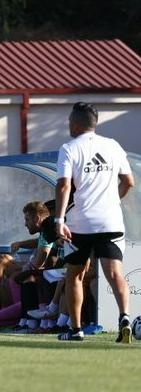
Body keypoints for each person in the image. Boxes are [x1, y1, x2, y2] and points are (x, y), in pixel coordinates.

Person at [54, 102, 135, 342]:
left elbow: (64, 185)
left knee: (74, 275)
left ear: (76, 123)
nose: (68, 125)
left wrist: (59, 219)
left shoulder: (69, 148)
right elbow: (129, 181)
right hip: (110, 221)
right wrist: (113, 201)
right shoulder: (113, 146)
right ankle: (124, 317)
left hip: (80, 223)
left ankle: (76, 329)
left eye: (69, 121)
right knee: (115, 273)